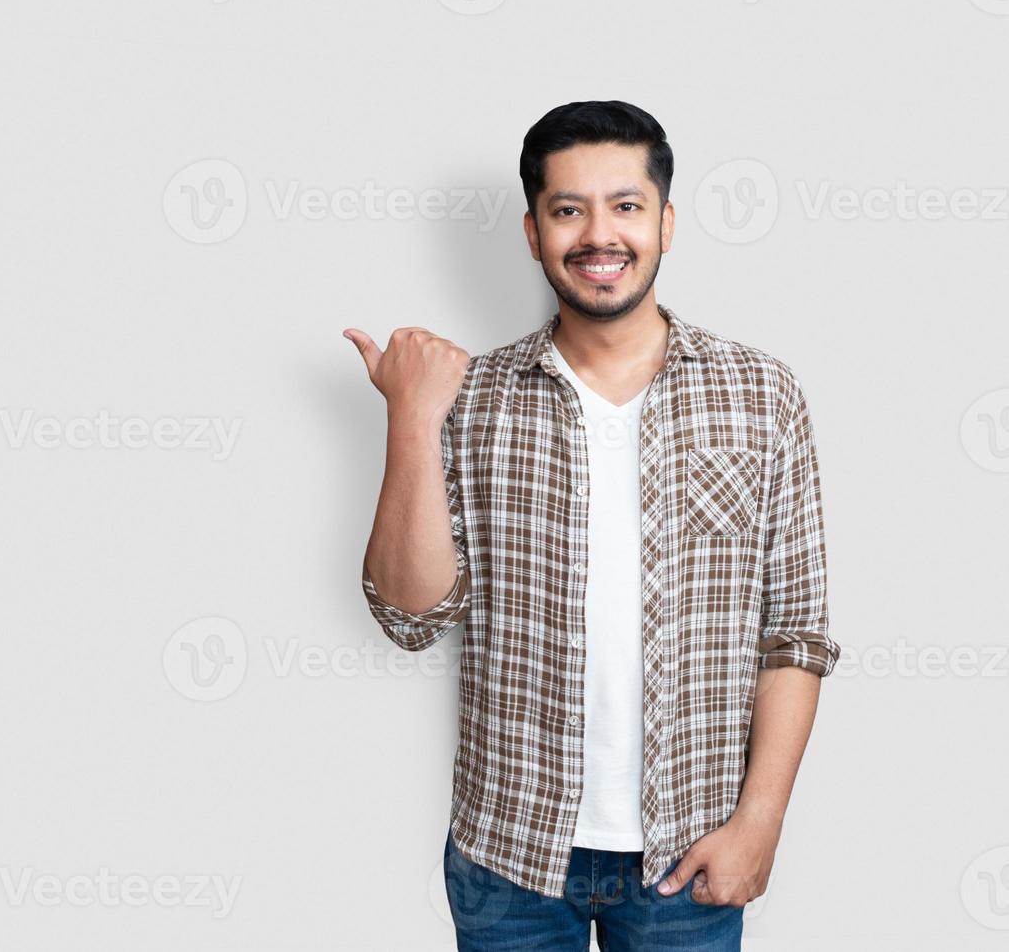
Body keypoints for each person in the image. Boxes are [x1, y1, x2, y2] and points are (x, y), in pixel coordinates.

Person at [343, 100, 840, 952]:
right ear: (533, 233)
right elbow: (410, 616)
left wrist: (761, 823)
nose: (598, 235)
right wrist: (411, 419)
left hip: (692, 850)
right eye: (568, 210)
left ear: (666, 223)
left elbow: (793, 632)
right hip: (511, 857)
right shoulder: (476, 400)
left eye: (626, 206)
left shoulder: (763, 396)